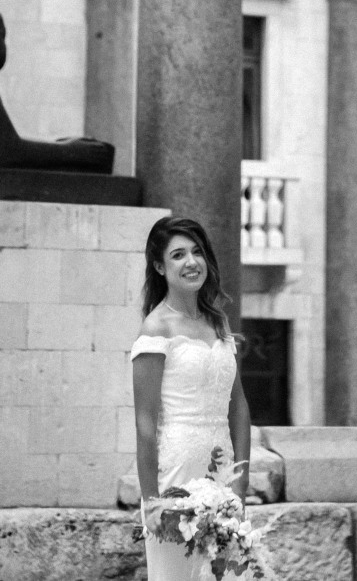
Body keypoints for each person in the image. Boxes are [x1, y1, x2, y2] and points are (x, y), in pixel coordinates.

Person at [130, 215, 253, 581]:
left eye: (197, 252)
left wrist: (240, 482)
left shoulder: (219, 322)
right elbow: (145, 421)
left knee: (227, 575)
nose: (191, 262)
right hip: (176, 472)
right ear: (159, 266)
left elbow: (239, 407)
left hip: (223, 472)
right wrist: (152, 502)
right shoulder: (156, 328)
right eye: (178, 254)